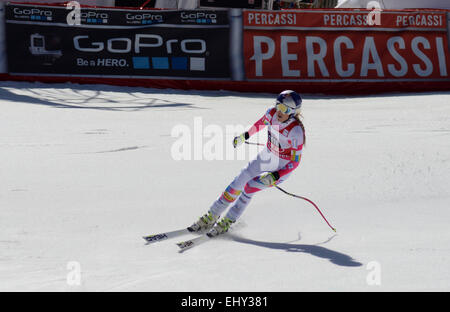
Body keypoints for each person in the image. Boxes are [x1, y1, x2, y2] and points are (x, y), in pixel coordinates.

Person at [189, 90, 306, 236]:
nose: (279, 111)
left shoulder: (296, 131)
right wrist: (245, 136)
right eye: (278, 105)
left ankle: (228, 220)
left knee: (250, 187)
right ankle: (211, 215)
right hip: (266, 157)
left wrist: (275, 176)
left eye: (284, 109)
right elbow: (260, 124)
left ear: (294, 112)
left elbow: (295, 162)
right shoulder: (271, 114)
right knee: (239, 181)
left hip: (282, 167)